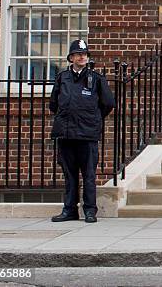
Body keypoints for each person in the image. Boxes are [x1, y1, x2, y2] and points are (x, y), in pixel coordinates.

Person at [49, 39, 115, 223]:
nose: (82, 57)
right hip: (66, 133)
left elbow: (108, 103)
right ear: (71, 57)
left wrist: (93, 118)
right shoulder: (62, 78)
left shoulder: (96, 78)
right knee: (69, 175)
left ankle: (90, 211)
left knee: (89, 175)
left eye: (84, 54)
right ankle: (69, 210)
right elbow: (54, 103)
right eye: (78, 54)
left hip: (87, 134)